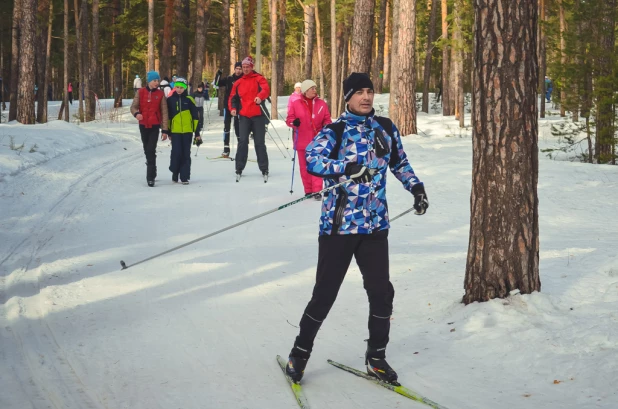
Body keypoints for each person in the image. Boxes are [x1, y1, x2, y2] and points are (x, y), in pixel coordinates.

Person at [284, 72, 429, 386]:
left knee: (382, 293)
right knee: (325, 294)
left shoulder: (385, 128)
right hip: (340, 227)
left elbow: (400, 163)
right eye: (359, 92)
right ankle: (300, 352)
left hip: (375, 226)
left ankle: (376, 357)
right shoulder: (335, 131)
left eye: (369, 91)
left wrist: (416, 188)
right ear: (347, 97)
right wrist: (345, 167)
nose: (366, 97)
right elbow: (312, 159)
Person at [286, 79, 332, 199]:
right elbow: (289, 119)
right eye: (312, 88)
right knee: (304, 167)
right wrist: (293, 122)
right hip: (301, 140)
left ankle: (317, 191)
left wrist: (327, 126)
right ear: (306, 90)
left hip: (317, 140)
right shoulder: (296, 104)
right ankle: (308, 190)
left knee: (317, 165)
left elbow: (327, 119)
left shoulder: (321, 103)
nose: (314, 90)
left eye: (315, 88)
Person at [228, 56, 270, 180]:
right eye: (243, 67)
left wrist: (260, 96)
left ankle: (264, 168)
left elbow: (266, 89)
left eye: (247, 67)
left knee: (259, 143)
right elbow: (232, 98)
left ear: (252, 67)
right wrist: (233, 109)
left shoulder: (259, 78)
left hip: (258, 116)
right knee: (242, 142)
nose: (245, 69)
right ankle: (239, 167)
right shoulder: (238, 82)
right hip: (244, 116)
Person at [130, 71, 169, 187]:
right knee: (147, 149)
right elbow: (133, 106)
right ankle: (153, 167)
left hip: (154, 125)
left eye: (158, 80)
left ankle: (150, 176)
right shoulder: (140, 92)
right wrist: (136, 114)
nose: (157, 83)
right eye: (155, 80)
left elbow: (164, 112)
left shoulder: (160, 94)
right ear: (149, 81)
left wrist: (165, 130)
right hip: (143, 125)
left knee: (151, 149)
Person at [166, 77, 201, 185]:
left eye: (181, 87)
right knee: (176, 153)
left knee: (186, 153)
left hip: (187, 131)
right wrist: (168, 131)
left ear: (185, 88)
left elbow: (195, 117)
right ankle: (175, 172)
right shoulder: (170, 100)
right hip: (175, 131)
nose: (179, 89)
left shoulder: (189, 100)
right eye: (177, 87)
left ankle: (185, 176)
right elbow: (168, 117)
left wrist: (197, 133)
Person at [219, 62, 243, 157]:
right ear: (234, 69)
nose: (238, 70)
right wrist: (218, 74)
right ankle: (226, 148)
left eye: (240, 69)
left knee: (238, 128)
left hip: (239, 106)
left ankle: (240, 149)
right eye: (237, 68)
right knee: (226, 127)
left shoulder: (243, 79)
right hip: (227, 106)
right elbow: (217, 83)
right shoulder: (229, 78)